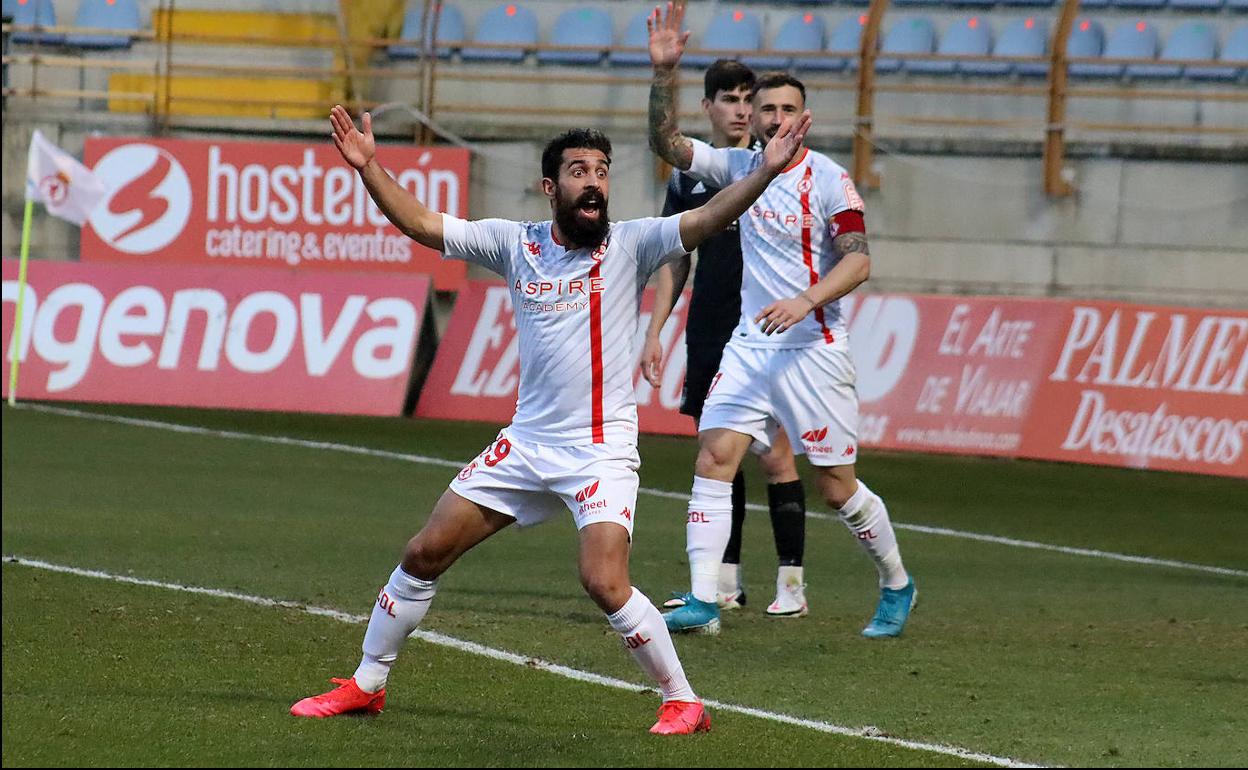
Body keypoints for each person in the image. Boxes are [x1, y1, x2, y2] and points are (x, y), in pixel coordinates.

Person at [290, 104, 811, 734]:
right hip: (528, 443)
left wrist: (764, 173)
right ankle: (367, 684)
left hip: (600, 449)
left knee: (603, 580)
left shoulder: (631, 243)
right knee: (424, 552)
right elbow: (425, 224)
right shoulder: (517, 245)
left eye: (601, 171)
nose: (593, 181)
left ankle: (682, 700)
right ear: (551, 186)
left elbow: (706, 217)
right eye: (578, 171)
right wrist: (370, 167)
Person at [646, 2, 917, 639]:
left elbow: (860, 263)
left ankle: (897, 584)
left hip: (813, 348)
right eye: (765, 110)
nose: (773, 119)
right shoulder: (736, 167)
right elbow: (667, 144)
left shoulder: (830, 180)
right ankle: (706, 597)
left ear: (804, 117)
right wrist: (664, 74)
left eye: (785, 109)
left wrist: (806, 300)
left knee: (836, 487)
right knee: (715, 458)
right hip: (749, 346)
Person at [639, 59, 810, 622]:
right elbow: (674, 257)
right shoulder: (691, 177)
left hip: (767, 331)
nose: (741, 109)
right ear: (708, 107)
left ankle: (791, 582)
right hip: (711, 329)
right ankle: (724, 584)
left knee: (776, 454)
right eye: (730, 99)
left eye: (748, 99)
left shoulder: (777, 170)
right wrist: (656, 328)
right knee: (718, 453)